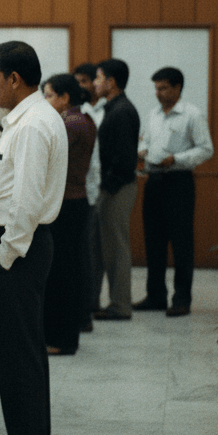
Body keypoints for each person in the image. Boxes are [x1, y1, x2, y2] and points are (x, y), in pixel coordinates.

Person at [0, 42, 67, 435]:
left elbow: (26, 202)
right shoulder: (27, 119)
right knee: (19, 353)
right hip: (15, 247)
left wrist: (4, 253)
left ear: (14, 79)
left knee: (18, 356)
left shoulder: (32, 125)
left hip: (19, 250)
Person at [135, 66, 214, 317]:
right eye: (156, 88)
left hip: (179, 181)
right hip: (154, 181)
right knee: (153, 240)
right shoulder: (153, 114)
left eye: (163, 88)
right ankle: (156, 295)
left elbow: (205, 149)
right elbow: (146, 140)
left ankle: (181, 298)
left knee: (181, 243)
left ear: (178, 88)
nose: (158, 93)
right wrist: (143, 150)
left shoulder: (192, 114)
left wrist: (176, 159)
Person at [41, 74, 96, 356]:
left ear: (64, 97)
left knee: (61, 273)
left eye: (49, 95)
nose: (45, 101)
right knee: (69, 270)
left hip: (65, 202)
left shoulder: (68, 123)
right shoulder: (83, 119)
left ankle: (61, 338)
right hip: (75, 201)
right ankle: (64, 334)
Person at [93, 59, 141, 321]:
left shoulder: (121, 111)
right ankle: (116, 301)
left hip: (118, 187)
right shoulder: (114, 108)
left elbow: (123, 161)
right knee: (110, 246)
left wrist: (105, 190)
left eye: (99, 78)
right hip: (114, 185)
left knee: (116, 247)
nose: (95, 83)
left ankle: (121, 305)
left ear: (111, 82)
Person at [73, 62, 105, 331]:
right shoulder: (81, 117)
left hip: (83, 195)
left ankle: (85, 310)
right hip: (82, 194)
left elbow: (91, 166)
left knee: (85, 256)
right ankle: (85, 309)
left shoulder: (79, 120)